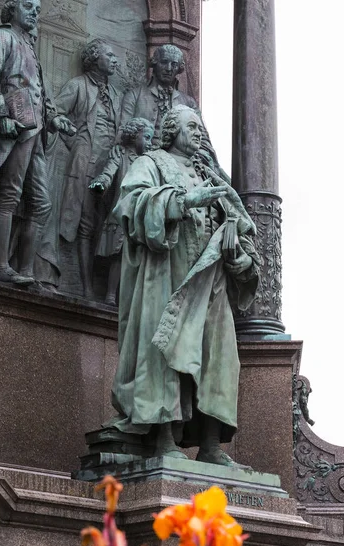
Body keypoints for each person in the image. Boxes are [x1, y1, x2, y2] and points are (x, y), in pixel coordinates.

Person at [107, 106, 260, 466]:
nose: (200, 133)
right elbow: (131, 205)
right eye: (193, 127)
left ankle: (210, 445)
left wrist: (241, 258)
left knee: (217, 357)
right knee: (164, 354)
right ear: (172, 129)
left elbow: (242, 224)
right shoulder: (151, 162)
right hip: (166, 274)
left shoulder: (210, 173)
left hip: (212, 280)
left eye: (202, 128)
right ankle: (163, 440)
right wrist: (185, 201)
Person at [0, 0, 75, 285]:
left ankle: (27, 270)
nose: (35, 12)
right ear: (12, 10)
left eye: (38, 9)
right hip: (13, 130)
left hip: (35, 133)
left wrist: (54, 119)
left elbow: (40, 93)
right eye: (28, 6)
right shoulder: (2, 36)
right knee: (8, 194)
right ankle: (0, 267)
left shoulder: (29, 46)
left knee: (42, 203)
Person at [56, 39, 122, 299]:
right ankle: (85, 288)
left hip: (113, 167)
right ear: (95, 58)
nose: (115, 60)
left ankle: (107, 289)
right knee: (86, 225)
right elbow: (56, 114)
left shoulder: (116, 95)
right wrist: (76, 145)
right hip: (86, 163)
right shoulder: (77, 85)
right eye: (110, 54)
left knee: (107, 225)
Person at [118, 44, 221, 171]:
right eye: (164, 62)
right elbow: (122, 135)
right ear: (155, 64)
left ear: (179, 68)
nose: (169, 68)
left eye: (174, 64)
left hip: (179, 165)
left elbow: (203, 140)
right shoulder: (134, 95)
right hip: (141, 162)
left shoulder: (188, 102)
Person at [89, 117, 154, 306]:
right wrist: (101, 183)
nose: (150, 144)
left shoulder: (149, 162)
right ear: (134, 137)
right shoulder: (121, 154)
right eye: (147, 138)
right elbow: (109, 172)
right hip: (123, 213)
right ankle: (110, 294)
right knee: (118, 255)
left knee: (138, 257)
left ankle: (131, 298)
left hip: (142, 216)